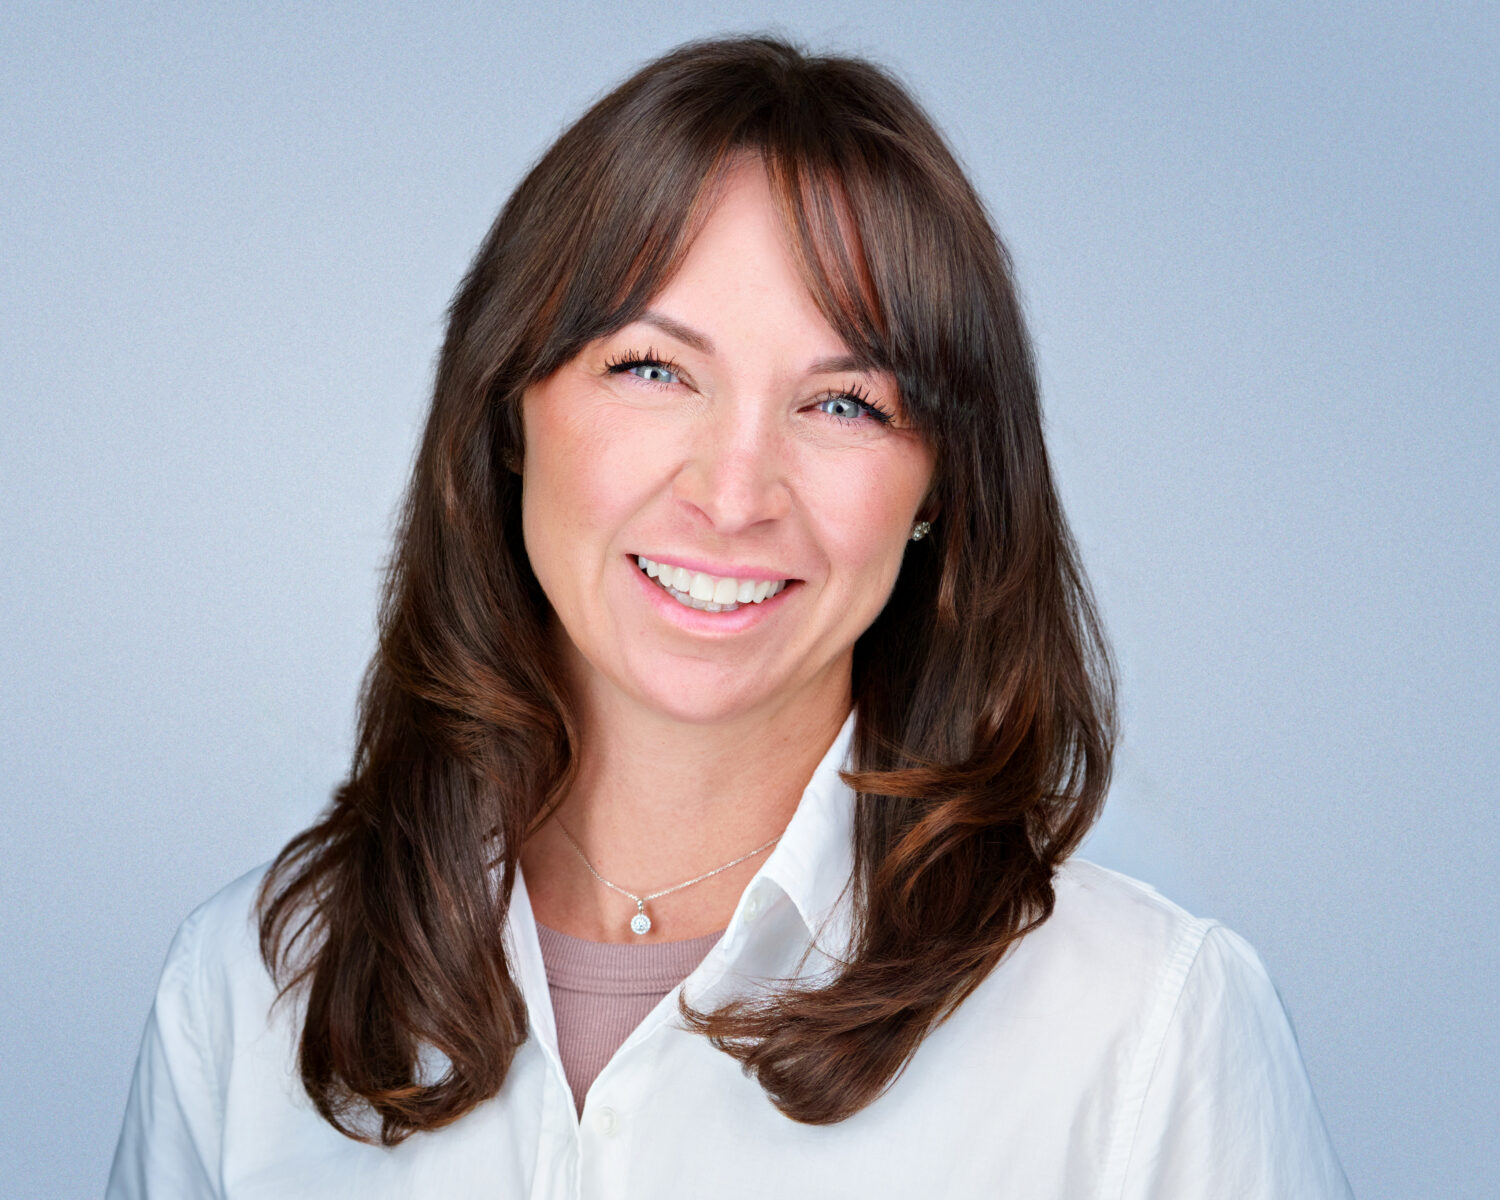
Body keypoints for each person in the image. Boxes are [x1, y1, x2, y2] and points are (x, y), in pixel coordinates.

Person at [107, 35, 1351, 1198]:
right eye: (653, 369)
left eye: (846, 402)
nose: (735, 492)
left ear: (939, 490)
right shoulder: (251, 993)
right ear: (506, 414)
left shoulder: (1144, 1032)